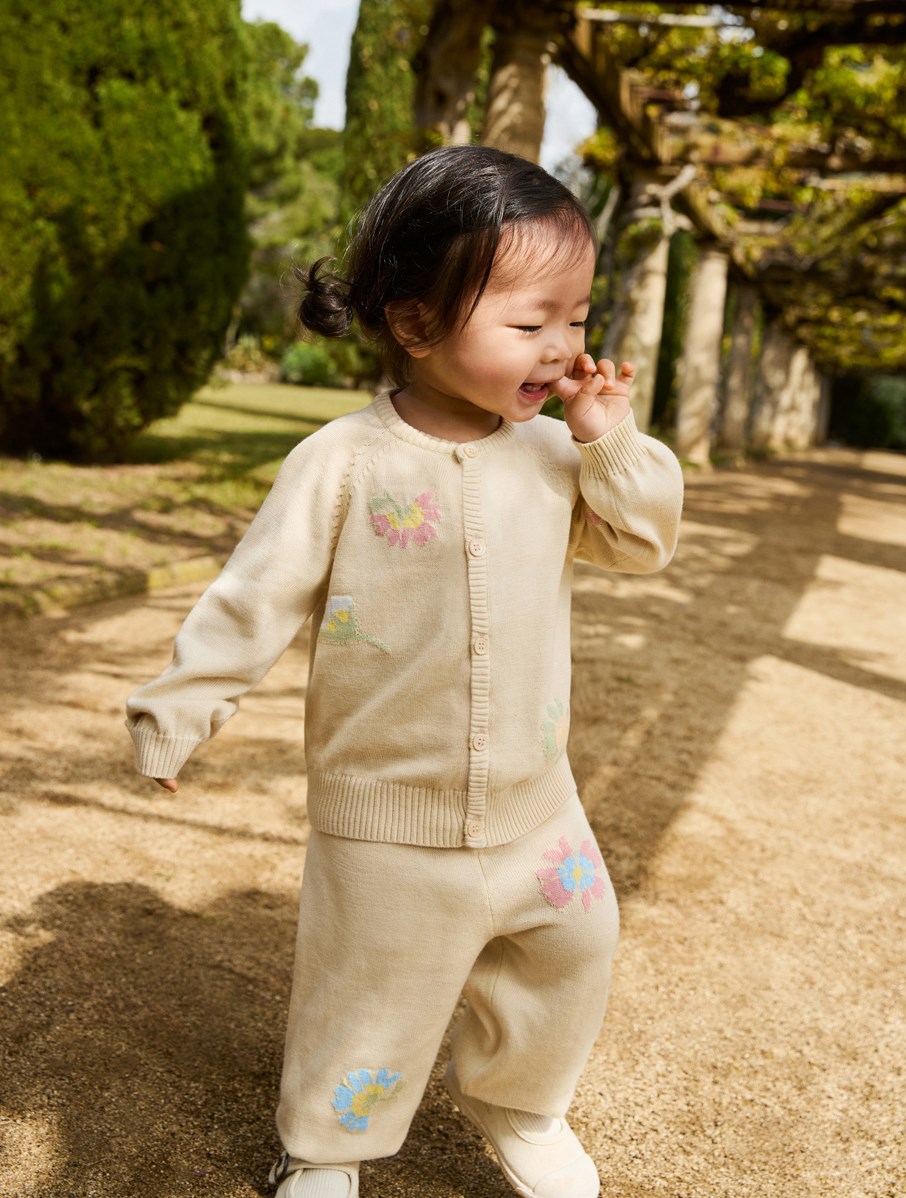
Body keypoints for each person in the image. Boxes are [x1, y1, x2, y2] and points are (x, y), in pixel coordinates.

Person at [126, 144, 684, 1198]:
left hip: (536, 806)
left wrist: (612, 442)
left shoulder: (559, 458)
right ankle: (328, 1146)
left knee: (574, 946)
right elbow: (256, 594)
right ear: (416, 322)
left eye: (576, 317)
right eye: (529, 324)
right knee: (366, 993)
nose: (563, 349)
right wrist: (181, 705)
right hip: (385, 815)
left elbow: (645, 538)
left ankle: (520, 1102)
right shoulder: (342, 462)